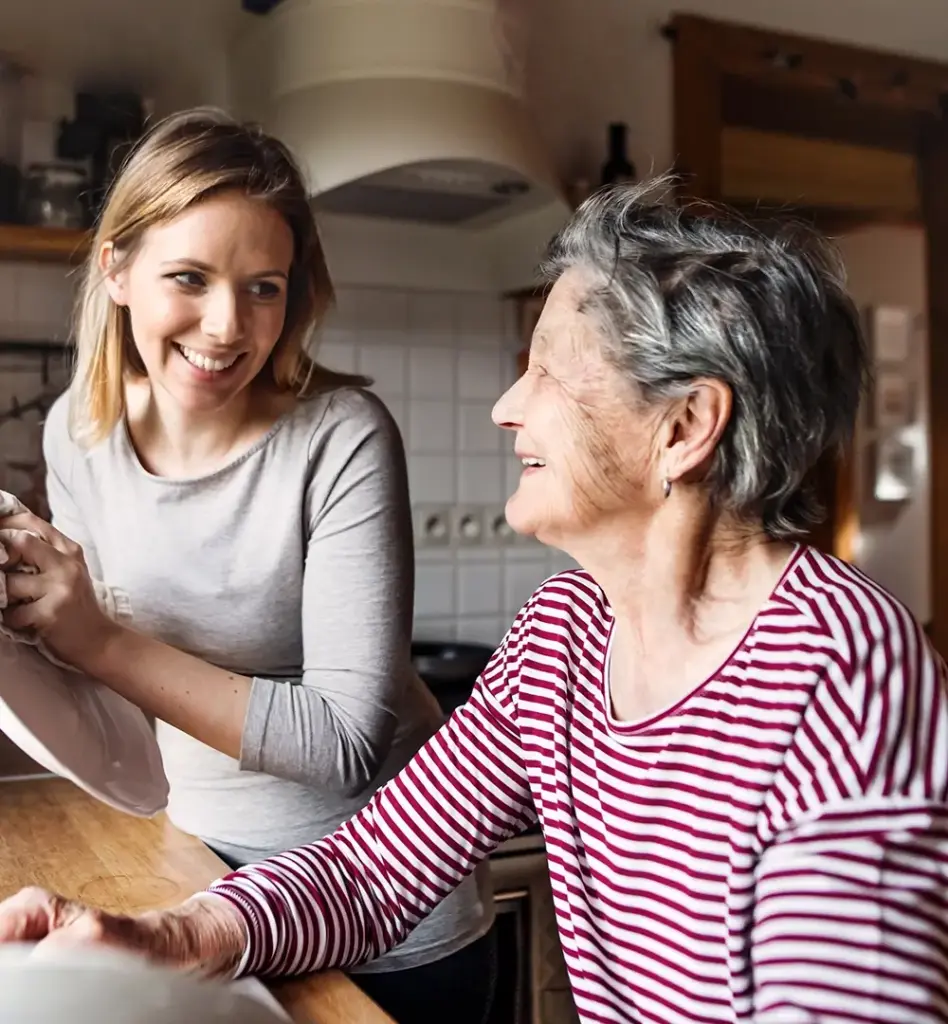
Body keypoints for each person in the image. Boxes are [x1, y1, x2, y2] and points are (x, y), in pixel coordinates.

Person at [3, 179, 947, 1024]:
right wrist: (172, 936)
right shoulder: (567, 629)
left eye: (545, 371)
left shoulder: (852, 681)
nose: (506, 406)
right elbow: (379, 865)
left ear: (685, 427)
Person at [0, 108, 496, 1023]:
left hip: (384, 927)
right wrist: (27, 614)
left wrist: (94, 637)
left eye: (263, 287)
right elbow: (111, 710)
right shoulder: (79, 431)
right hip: (194, 880)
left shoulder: (341, 439)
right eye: (189, 277)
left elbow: (347, 745)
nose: (228, 327)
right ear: (116, 269)